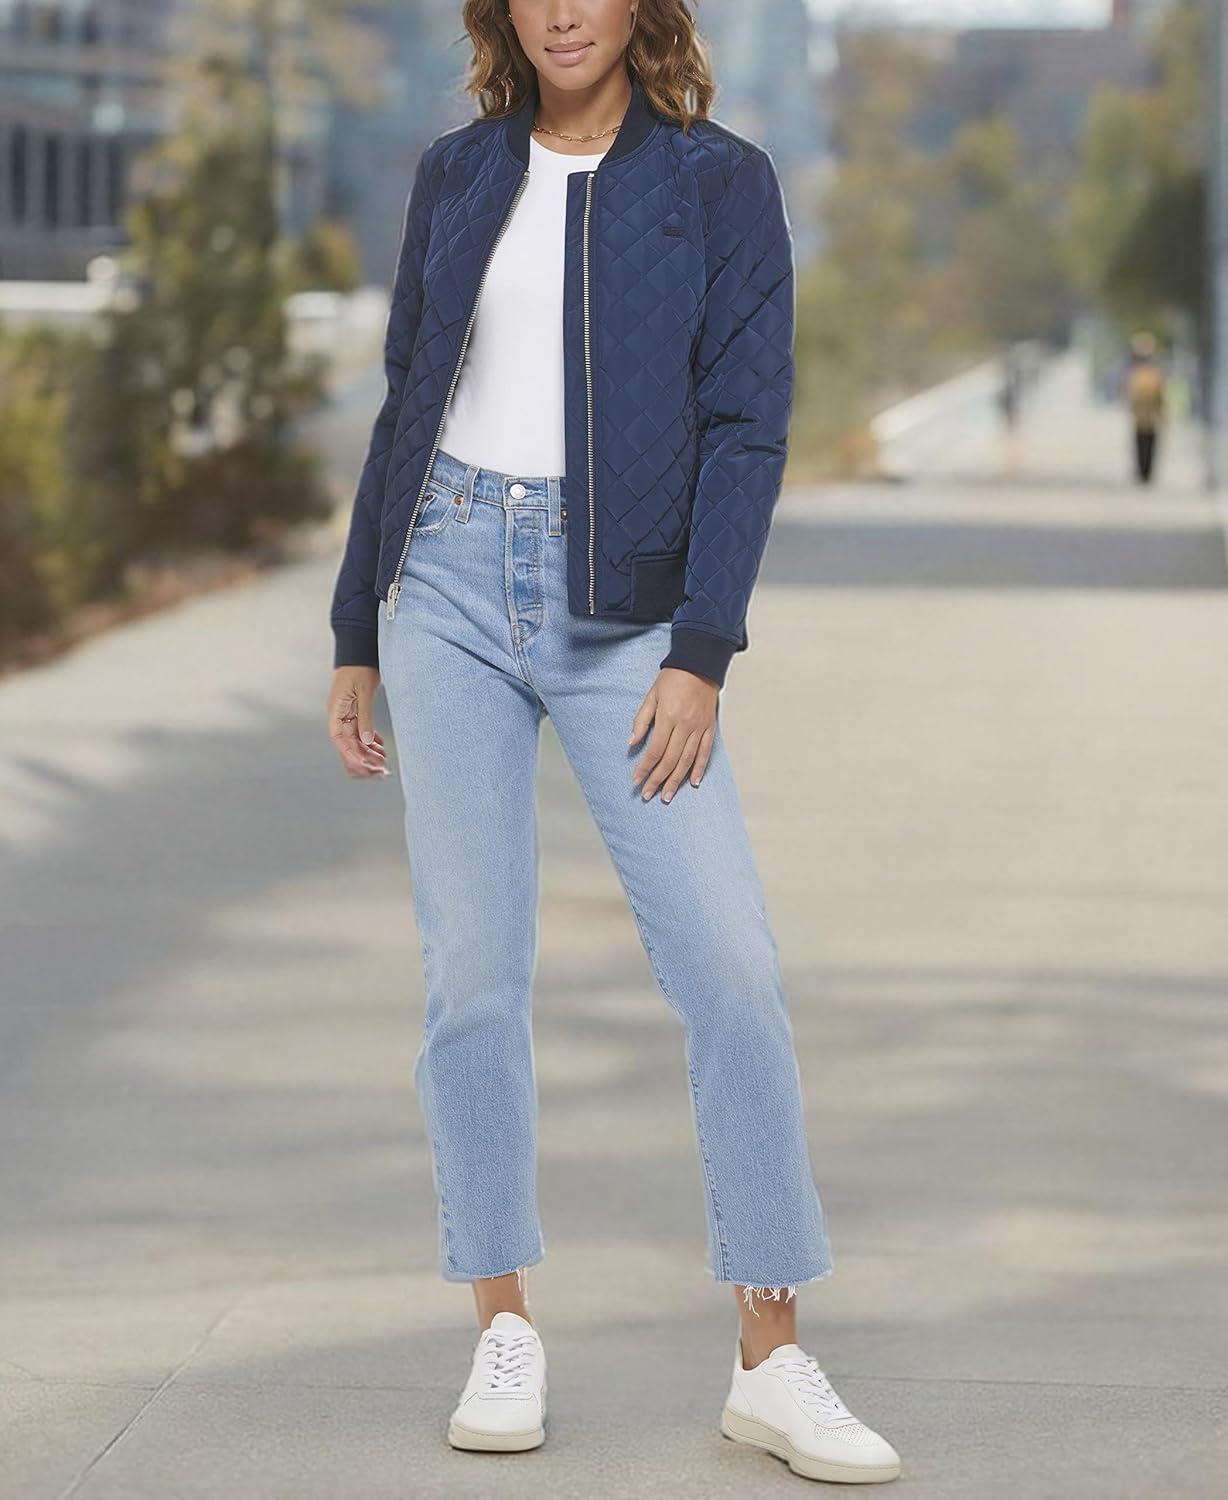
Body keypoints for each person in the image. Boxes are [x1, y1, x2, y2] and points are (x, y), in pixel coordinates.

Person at [325, 1, 900, 1485]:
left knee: (730, 966)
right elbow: (405, 399)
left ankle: (771, 1359)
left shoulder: (718, 181)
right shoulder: (458, 172)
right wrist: (354, 627)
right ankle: (502, 1326)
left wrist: (702, 651)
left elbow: (746, 427)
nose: (565, 10)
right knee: (471, 978)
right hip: (446, 582)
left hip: (630, 611)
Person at [1125, 331, 1166, 484]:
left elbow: (1159, 396)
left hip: (1149, 418)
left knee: (1147, 446)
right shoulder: (1137, 375)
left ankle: (1146, 472)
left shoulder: (1152, 375)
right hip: (1142, 418)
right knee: (1142, 445)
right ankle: (1143, 472)